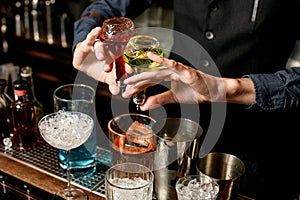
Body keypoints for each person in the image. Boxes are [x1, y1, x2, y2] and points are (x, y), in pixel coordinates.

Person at [72, 0, 300, 199]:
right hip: (174, 128)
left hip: (255, 144)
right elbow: (108, 5)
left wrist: (229, 88)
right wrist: (87, 40)